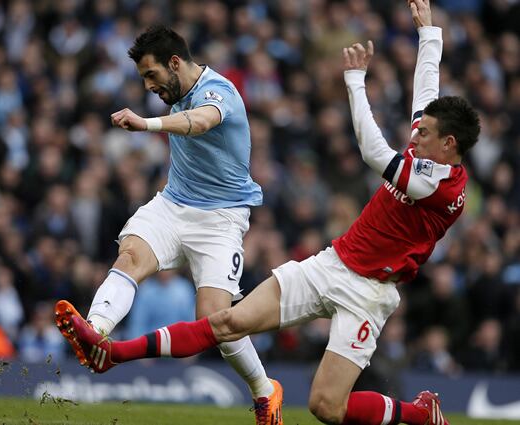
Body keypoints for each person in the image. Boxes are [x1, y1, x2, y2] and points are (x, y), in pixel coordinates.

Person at [54, 1, 481, 424]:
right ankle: (109, 351)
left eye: (424, 131)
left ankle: (420, 415)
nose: (416, 131)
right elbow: (427, 92)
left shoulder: (431, 183)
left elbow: (372, 151)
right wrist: (429, 33)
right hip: (331, 263)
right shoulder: (431, 147)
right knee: (225, 322)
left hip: (369, 291)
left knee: (326, 408)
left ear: (448, 145)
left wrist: (355, 80)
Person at [54, 25, 282, 424]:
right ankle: (95, 333)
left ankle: (265, 390)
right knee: (130, 257)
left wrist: (147, 124)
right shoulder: (176, 90)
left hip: (221, 219)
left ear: (175, 63)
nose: (148, 86)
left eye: (151, 75)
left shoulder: (220, 92)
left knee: (216, 321)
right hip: (173, 204)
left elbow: (201, 121)